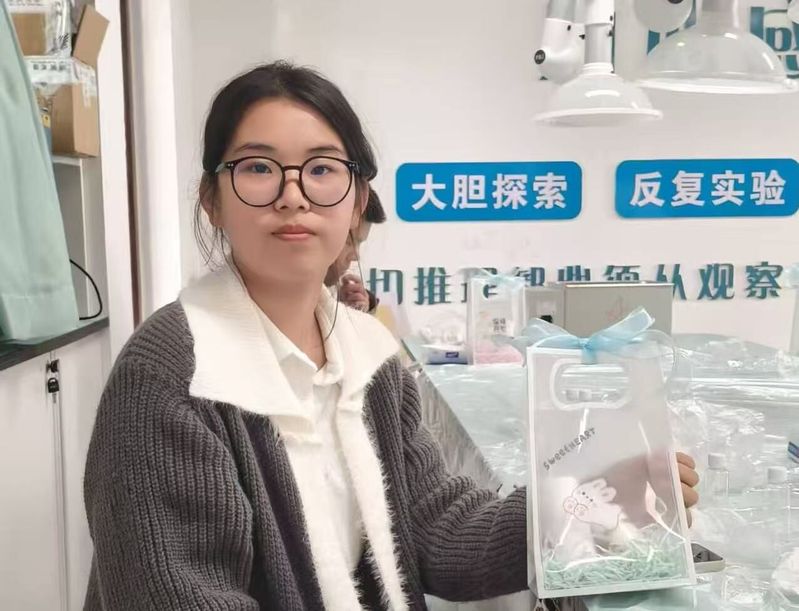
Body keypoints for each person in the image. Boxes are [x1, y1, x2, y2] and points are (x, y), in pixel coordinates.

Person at [82, 61, 699, 610]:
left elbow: (436, 534)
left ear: (357, 202)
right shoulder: (171, 378)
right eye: (259, 168)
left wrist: (588, 501)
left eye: (322, 169)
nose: (293, 195)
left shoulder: (367, 356)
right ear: (212, 200)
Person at [324, 186, 385, 313]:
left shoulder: (338, 299)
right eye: (348, 242)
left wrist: (353, 315)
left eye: (359, 244)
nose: (355, 256)